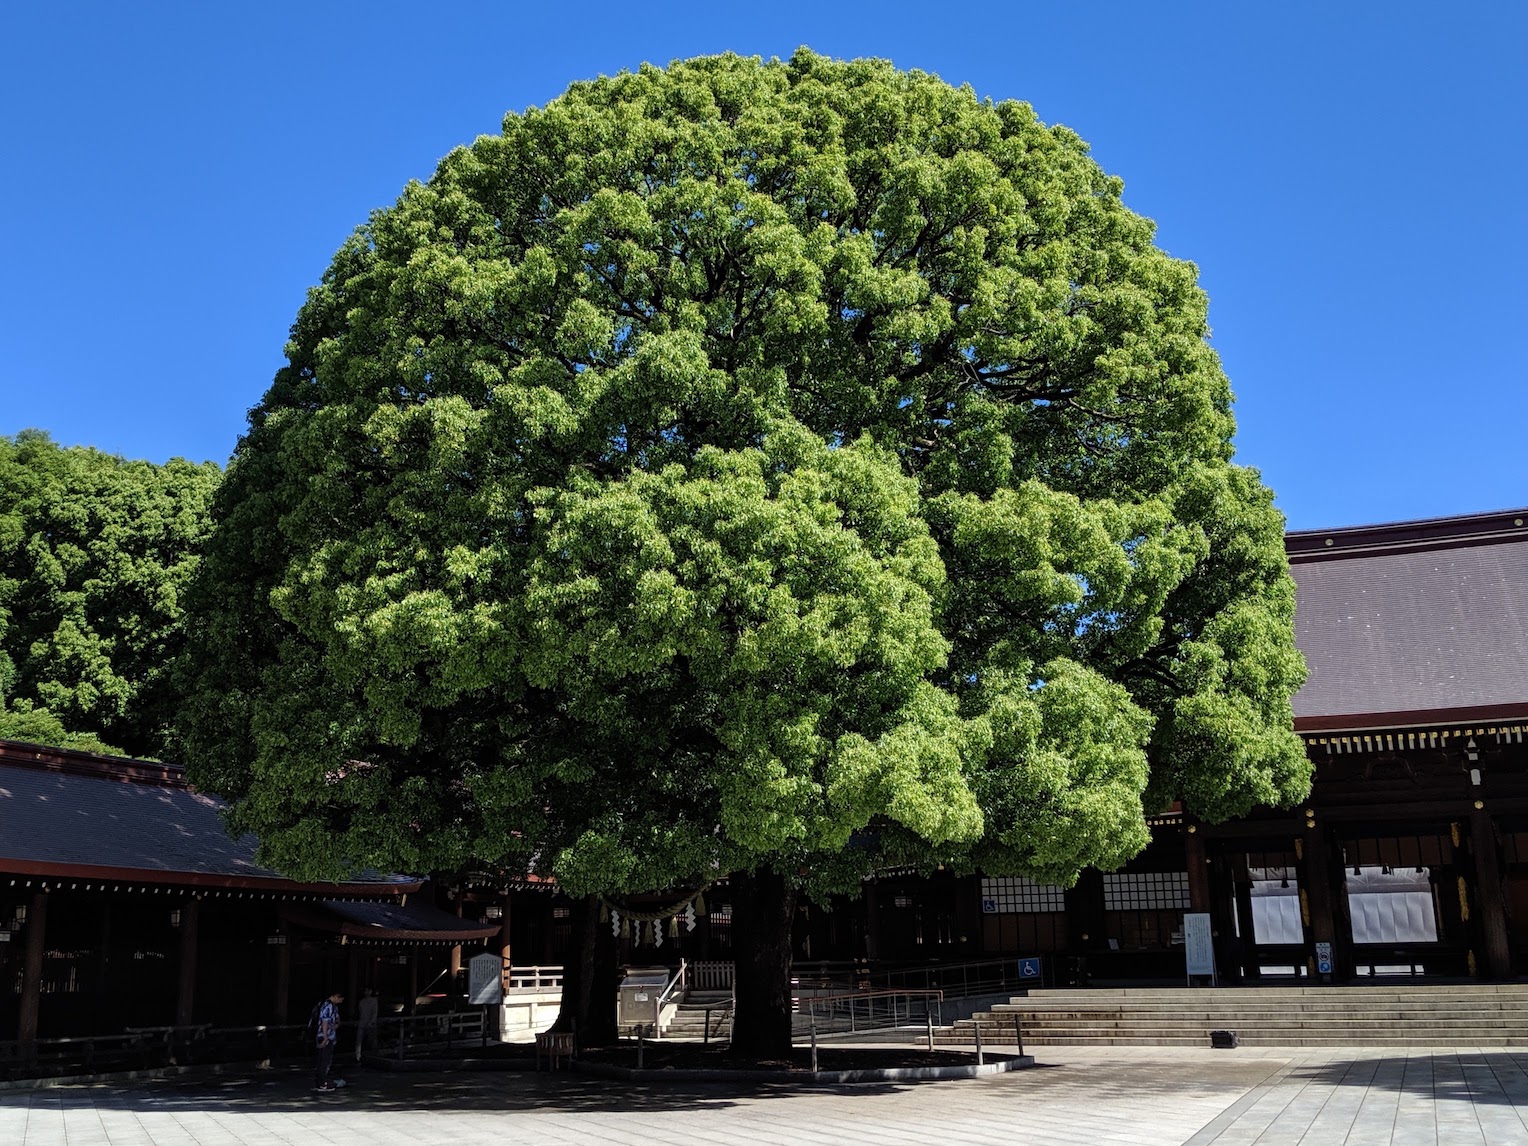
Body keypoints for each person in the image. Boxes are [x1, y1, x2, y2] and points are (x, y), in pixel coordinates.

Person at [313, 990, 345, 1092]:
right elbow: (324, 1022)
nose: (340, 1001)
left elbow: (337, 1020)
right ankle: (322, 1083)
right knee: (324, 1061)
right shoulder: (328, 1006)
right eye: (340, 999)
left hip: (328, 1035)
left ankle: (321, 1081)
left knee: (323, 1060)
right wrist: (326, 1036)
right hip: (326, 1036)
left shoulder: (332, 1007)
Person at [354, 987, 379, 1062]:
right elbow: (360, 1012)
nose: (367, 992)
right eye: (366, 991)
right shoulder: (361, 1001)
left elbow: (375, 1012)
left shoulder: (374, 1001)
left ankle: (373, 1056)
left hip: (370, 1023)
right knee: (359, 1041)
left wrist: (371, 1021)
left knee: (372, 1040)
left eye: (368, 991)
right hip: (362, 1022)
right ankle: (358, 1056)